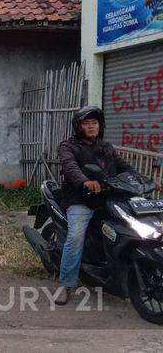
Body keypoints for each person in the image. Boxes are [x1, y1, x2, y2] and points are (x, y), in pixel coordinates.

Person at [55, 106, 136, 305]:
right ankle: (66, 284)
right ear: (78, 126)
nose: (92, 126)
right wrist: (85, 181)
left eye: (95, 123)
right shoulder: (69, 146)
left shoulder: (106, 147)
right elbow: (70, 167)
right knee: (75, 237)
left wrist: (145, 180)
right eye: (87, 123)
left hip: (108, 199)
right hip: (81, 200)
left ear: (100, 126)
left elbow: (125, 168)